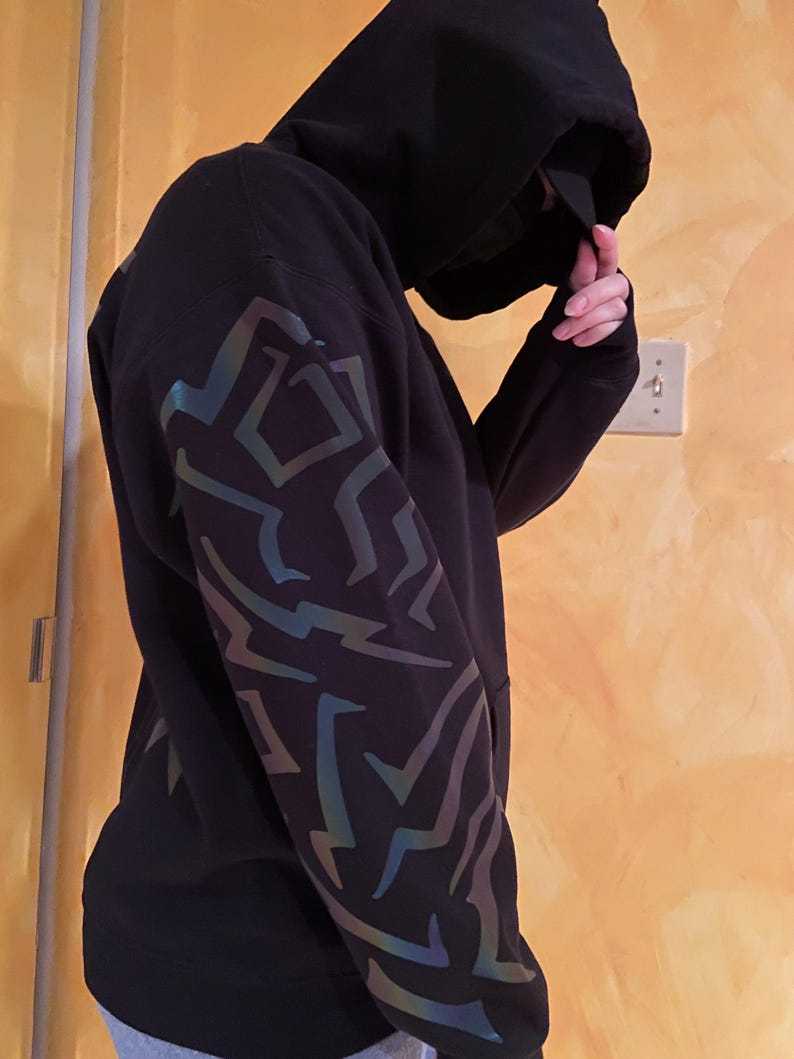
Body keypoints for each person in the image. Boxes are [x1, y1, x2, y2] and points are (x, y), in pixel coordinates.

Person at [82, 2, 651, 1057]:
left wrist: (575, 363)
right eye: (527, 178)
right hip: (263, 971)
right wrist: (481, 1012)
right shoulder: (252, 234)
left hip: (337, 951)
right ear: (452, 103)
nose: (524, 220)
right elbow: (349, 653)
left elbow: (446, 526)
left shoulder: (325, 262)